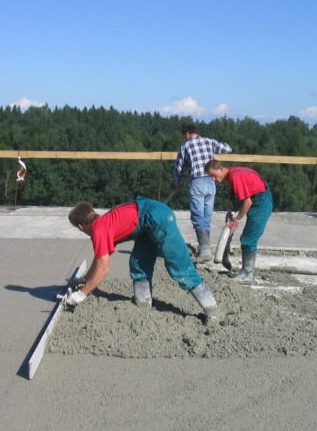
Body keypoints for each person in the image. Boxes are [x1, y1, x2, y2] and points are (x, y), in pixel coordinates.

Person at [66, 196, 220, 322]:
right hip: (146, 220)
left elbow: (103, 269)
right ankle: (143, 305)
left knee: (180, 267)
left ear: (80, 226)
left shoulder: (99, 231)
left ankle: (213, 312)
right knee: (139, 263)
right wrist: (85, 279)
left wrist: (82, 294)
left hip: (157, 217)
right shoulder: (104, 222)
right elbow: (100, 260)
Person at [204, 160, 273, 283]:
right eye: (210, 176)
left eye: (214, 175)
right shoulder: (232, 174)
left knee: (249, 239)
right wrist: (233, 211)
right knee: (247, 238)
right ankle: (245, 270)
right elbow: (241, 197)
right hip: (259, 199)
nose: (213, 179)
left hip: (261, 202)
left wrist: (236, 220)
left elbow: (247, 202)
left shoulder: (234, 176)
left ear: (220, 169)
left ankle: (247, 273)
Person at [173, 123, 232, 262]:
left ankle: (205, 249)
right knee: (206, 216)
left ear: (187, 134)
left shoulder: (185, 146)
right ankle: (205, 248)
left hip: (197, 182)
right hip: (211, 181)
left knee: (198, 216)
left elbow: (178, 167)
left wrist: (179, 181)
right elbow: (228, 149)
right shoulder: (209, 141)